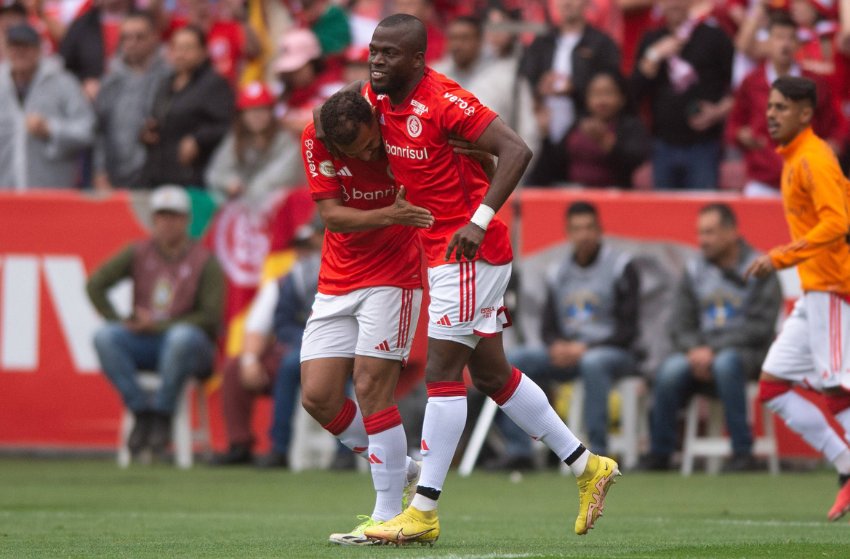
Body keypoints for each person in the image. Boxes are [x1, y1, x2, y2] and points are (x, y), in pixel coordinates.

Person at [350, 14, 620, 545]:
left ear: (417, 60)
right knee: (494, 375)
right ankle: (589, 466)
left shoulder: (445, 99)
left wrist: (478, 219)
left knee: (444, 374)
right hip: (440, 251)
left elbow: (517, 149)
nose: (377, 60)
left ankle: (423, 511)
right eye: (374, 51)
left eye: (388, 53)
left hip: (469, 251)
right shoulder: (375, 99)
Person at [299, 89, 434, 545]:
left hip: (394, 276)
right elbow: (334, 217)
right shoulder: (314, 139)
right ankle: (404, 468)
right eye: (361, 153)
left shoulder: (394, 125)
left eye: (374, 143)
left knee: (372, 386)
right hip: (337, 279)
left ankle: (386, 515)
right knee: (317, 397)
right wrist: (390, 213)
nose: (375, 152)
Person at [744, 75, 850, 521]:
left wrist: (782, 256)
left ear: (806, 114)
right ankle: (846, 465)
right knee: (772, 385)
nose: (771, 114)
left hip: (833, 287)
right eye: (770, 106)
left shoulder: (814, 160)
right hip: (815, 289)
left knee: (835, 384)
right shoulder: (795, 159)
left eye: (782, 107)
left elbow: (837, 223)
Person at [495, 201, 640, 469]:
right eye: (577, 229)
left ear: (599, 230)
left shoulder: (621, 267)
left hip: (613, 352)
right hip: (570, 352)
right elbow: (548, 327)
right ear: (568, 233)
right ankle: (520, 450)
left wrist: (585, 348)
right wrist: (557, 346)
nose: (583, 235)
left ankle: (597, 454)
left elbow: (628, 330)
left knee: (593, 362)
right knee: (516, 359)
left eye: (589, 228)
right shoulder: (558, 271)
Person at [87, 185, 225, 458]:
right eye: (162, 216)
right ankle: (141, 411)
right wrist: (120, 319)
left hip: (193, 349)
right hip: (147, 342)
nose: (167, 223)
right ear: (153, 219)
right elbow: (95, 284)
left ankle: (163, 413)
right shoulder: (138, 252)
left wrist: (158, 326)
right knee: (105, 337)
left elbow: (211, 318)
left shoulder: (205, 261)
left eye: (174, 216)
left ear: (186, 220)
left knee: (181, 337)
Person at [644, 203, 783, 471]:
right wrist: (696, 350)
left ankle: (743, 453)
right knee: (670, 369)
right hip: (700, 354)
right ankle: (660, 452)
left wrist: (713, 350)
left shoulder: (759, 267)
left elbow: (761, 326)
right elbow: (679, 324)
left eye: (710, 232)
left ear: (732, 232)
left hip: (749, 353)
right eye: (700, 233)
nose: (702, 240)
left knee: (726, 362)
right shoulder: (694, 271)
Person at [212, 223, 322, 468]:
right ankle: (240, 444)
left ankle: (282, 447)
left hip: (328, 354)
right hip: (292, 347)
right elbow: (257, 326)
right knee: (235, 367)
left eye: (312, 248)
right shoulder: (282, 282)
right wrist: (250, 361)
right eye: (301, 250)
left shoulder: (343, 279)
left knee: (290, 365)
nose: (306, 255)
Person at [727, 12, 845, 198]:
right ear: (767, 43)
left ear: (798, 44)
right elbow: (734, 125)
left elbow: (837, 127)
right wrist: (742, 135)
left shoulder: (815, 83)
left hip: (807, 181)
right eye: (779, 37)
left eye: (791, 38)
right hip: (763, 182)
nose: (785, 44)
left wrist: (832, 147)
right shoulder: (751, 83)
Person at [632, 0, 735, 190]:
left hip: (704, 145)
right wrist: (654, 55)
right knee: (664, 213)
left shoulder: (714, 36)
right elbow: (635, 91)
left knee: (702, 211)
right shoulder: (651, 39)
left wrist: (718, 112)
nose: (674, 4)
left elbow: (739, 89)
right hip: (662, 144)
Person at [519, 0, 621, 186]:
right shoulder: (541, 42)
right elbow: (525, 80)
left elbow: (613, 87)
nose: (567, 3)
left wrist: (574, 88)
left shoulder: (602, 43)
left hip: (584, 136)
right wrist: (540, 89)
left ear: (587, 4)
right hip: (543, 133)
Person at [432, 15, 538, 173]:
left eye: (464, 38)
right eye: (453, 38)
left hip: (492, 177)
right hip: (442, 177)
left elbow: (528, 132)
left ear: (480, 41)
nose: (457, 45)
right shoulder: (433, 75)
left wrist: (511, 182)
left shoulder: (508, 77)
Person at [0, 23, 94, 189]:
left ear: (38, 50)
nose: (20, 52)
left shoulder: (63, 82)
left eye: (26, 46)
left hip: (51, 192)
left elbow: (87, 129)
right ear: (6, 49)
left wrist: (50, 129)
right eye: (15, 46)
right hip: (5, 194)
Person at [139, 25, 234, 189]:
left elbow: (227, 124)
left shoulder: (214, 84)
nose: (181, 54)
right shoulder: (166, 83)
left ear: (203, 51)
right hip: (160, 172)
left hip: (195, 174)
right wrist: (148, 133)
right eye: (176, 48)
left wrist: (198, 139)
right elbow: (159, 117)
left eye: (188, 48)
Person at [93, 10, 170, 191]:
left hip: (160, 177)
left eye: (139, 37)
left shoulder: (169, 77)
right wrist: (99, 172)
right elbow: (99, 131)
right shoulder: (110, 82)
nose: (132, 44)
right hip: (116, 177)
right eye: (126, 38)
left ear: (154, 38)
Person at [205, 81, 305, 207]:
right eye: (250, 111)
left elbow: (278, 179)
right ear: (241, 115)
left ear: (271, 113)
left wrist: (246, 193)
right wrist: (229, 182)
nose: (256, 116)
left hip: (276, 209)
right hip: (243, 206)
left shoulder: (286, 141)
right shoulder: (236, 139)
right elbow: (216, 173)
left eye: (262, 110)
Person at [565, 70, 650, 187]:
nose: (601, 100)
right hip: (573, 191)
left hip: (616, 193)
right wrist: (546, 134)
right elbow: (556, 162)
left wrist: (606, 142)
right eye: (595, 93)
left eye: (608, 93)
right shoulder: (578, 124)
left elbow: (637, 163)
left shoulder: (631, 126)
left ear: (622, 98)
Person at [59, 0, 131, 102]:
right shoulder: (81, 25)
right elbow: (65, 65)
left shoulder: (142, 19)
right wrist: (83, 82)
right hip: (90, 98)